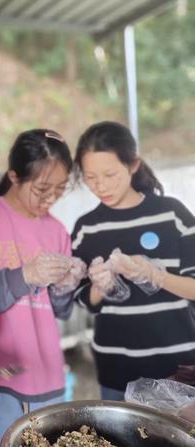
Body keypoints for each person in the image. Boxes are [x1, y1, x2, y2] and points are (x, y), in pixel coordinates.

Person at [0, 129, 86, 447]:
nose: (50, 199)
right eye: (42, 189)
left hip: (47, 372)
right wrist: (24, 275)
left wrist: (66, 286)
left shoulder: (57, 230)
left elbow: (59, 310)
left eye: (60, 190)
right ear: (14, 176)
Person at [72, 121, 195, 401]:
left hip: (179, 366)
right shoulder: (87, 228)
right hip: (117, 368)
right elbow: (82, 299)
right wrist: (100, 286)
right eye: (90, 177)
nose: (100, 185)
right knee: (122, 444)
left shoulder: (172, 215)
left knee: (180, 443)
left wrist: (157, 275)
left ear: (133, 165)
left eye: (110, 174)